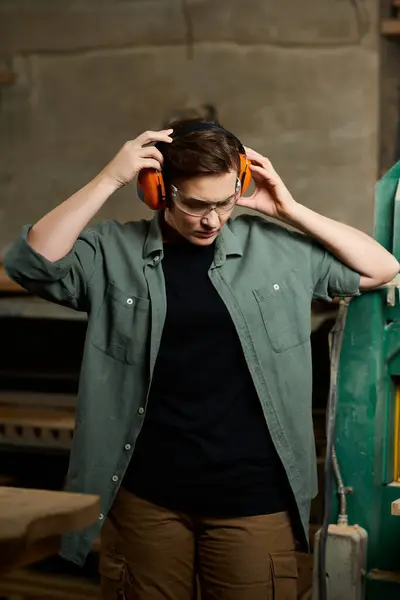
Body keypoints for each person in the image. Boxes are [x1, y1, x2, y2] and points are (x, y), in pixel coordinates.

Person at [4, 119, 398, 600]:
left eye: (225, 201)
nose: (212, 219)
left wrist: (289, 210)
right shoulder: (113, 251)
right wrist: (109, 179)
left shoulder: (275, 249)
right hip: (147, 494)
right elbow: (31, 263)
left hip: (252, 495)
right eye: (195, 204)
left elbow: (383, 267)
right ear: (158, 191)